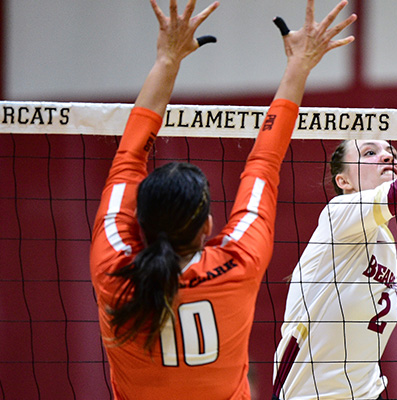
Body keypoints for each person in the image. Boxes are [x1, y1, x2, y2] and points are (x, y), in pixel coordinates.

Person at [88, 0, 356, 398]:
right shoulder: (237, 263)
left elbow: (128, 159)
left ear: (137, 222)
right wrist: (299, 66)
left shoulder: (112, 267)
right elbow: (264, 163)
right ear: (207, 228)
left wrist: (166, 60)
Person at [272, 116, 397, 397]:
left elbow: (386, 300)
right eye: (370, 152)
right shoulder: (338, 213)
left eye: (392, 152)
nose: (387, 155)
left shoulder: (384, 240)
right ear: (344, 181)